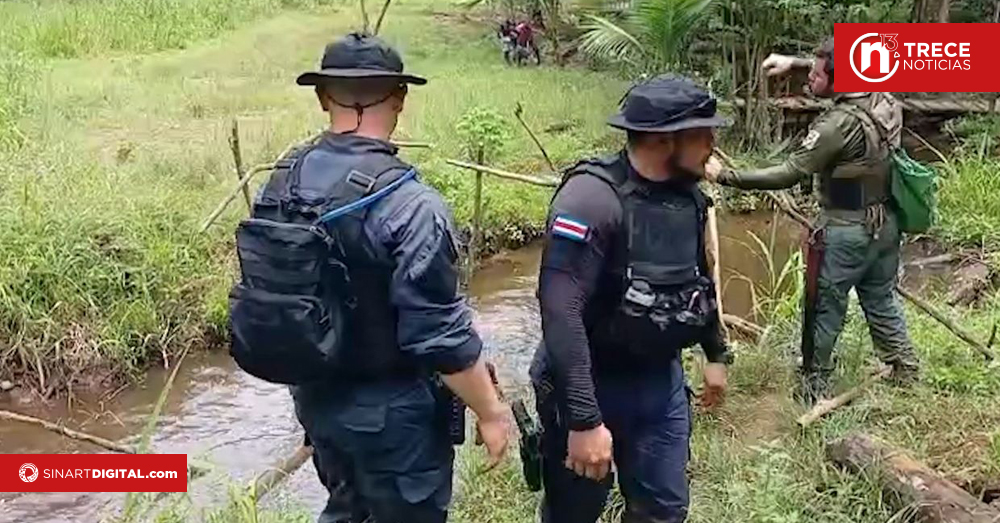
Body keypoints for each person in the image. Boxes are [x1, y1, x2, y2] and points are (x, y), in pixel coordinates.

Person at [240, 33, 511, 523]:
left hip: (316, 399)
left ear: (324, 97)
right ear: (400, 98)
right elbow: (440, 337)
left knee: (347, 508)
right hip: (395, 416)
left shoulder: (281, 180)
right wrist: (491, 413)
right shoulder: (412, 205)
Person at [530, 75, 733, 523]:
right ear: (665, 139)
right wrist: (583, 420)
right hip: (588, 383)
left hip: (659, 387)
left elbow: (698, 280)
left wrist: (716, 351)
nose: (713, 144)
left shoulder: (691, 200)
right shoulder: (590, 199)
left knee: (663, 510)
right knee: (574, 511)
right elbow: (560, 309)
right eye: (704, 132)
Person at [705, 37, 920, 403]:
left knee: (823, 308)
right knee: (880, 298)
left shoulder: (835, 125)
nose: (810, 81)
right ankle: (905, 369)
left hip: (845, 232)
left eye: (818, 75)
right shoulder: (883, 97)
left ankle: (813, 386)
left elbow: (789, 173)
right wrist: (798, 61)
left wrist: (726, 175)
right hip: (884, 225)